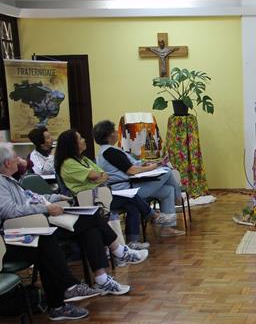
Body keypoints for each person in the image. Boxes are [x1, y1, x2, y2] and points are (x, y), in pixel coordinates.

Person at [0, 143, 141, 304]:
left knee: (90, 227)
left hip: (37, 222)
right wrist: (46, 208)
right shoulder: (2, 182)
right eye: (15, 157)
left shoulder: (10, 180)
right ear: (7, 163)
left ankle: (102, 278)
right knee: (90, 218)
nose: (19, 160)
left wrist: (56, 198)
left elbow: (33, 198)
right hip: (25, 229)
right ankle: (118, 253)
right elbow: (9, 211)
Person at [55, 129, 167, 250]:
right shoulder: (69, 163)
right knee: (131, 197)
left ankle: (132, 241)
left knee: (132, 205)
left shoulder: (83, 160)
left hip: (100, 194)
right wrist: (97, 177)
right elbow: (94, 175)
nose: (84, 140)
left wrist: (97, 178)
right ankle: (153, 215)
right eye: (80, 138)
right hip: (87, 200)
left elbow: (104, 175)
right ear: (73, 144)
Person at [93, 120, 185, 237]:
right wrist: (152, 167)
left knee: (167, 190)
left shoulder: (104, 152)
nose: (117, 132)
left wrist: (145, 164)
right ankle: (178, 198)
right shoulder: (110, 152)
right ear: (109, 135)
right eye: (115, 130)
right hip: (127, 190)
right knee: (167, 171)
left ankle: (166, 229)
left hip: (126, 187)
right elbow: (131, 170)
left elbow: (128, 165)